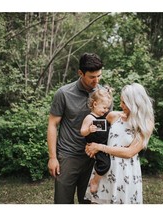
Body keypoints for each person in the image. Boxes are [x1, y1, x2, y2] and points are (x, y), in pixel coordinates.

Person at [47, 52, 108, 204]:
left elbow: (106, 124)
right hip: (68, 156)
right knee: (63, 202)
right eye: (92, 77)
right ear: (80, 73)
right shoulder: (63, 93)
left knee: (89, 202)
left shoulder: (103, 95)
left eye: (99, 76)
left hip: (93, 157)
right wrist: (53, 157)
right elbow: (53, 125)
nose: (96, 81)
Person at [84, 83, 155, 204]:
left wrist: (99, 147)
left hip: (125, 173)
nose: (121, 105)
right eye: (121, 101)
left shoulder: (145, 124)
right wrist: (90, 145)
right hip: (104, 169)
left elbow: (129, 152)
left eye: (125, 103)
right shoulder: (113, 116)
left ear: (135, 103)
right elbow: (98, 134)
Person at [80, 88, 113, 194]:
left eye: (107, 108)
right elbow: (82, 131)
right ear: (95, 104)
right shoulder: (90, 117)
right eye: (104, 107)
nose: (106, 110)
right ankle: (94, 181)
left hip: (104, 145)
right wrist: (89, 130)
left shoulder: (103, 117)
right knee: (105, 164)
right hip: (95, 145)